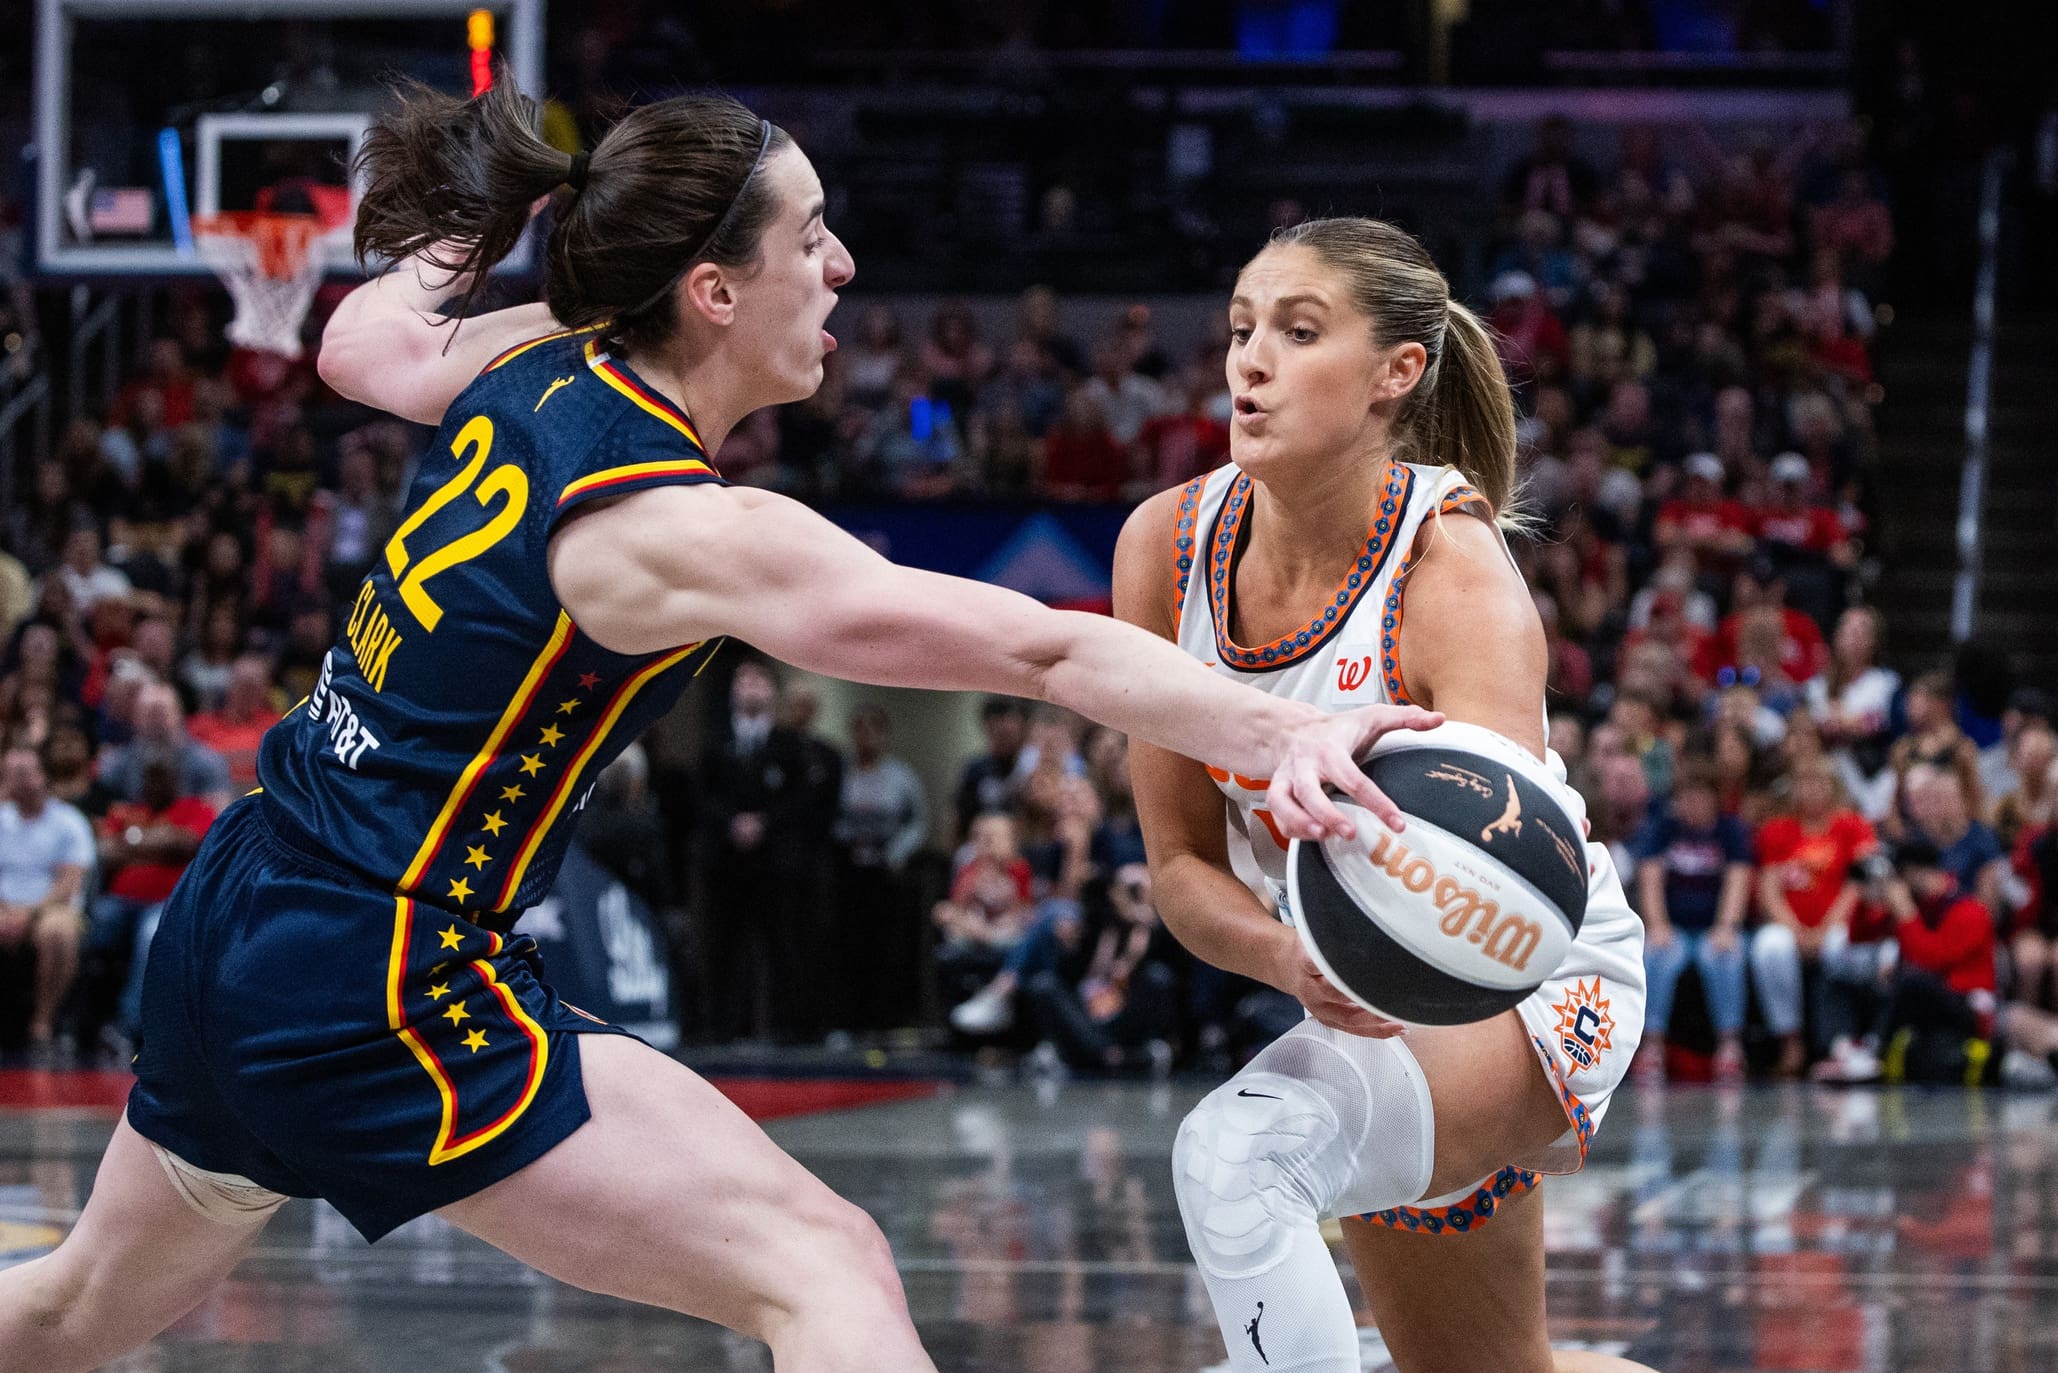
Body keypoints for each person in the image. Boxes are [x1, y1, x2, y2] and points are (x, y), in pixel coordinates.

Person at [0, 80, 1425, 1373]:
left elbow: (356, 339)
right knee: (824, 1268)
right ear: (713, 291)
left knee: (69, 1315)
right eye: (811, 238)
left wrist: (482, 231)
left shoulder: (522, 364)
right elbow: (1045, 647)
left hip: (238, 907)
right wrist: (1273, 728)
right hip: (379, 973)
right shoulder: (682, 528)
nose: (842, 266)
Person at [1116, 217, 1652, 1373]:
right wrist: (1285, 963)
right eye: (1241, 328)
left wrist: (1334, 964)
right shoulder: (1162, 546)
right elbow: (1179, 864)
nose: (1249, 361)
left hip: (1520, 975)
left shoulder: (1453, 575)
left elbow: (1484, 896)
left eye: (1299, 332)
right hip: (1354, 987)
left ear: (1396, 374)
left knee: (1241, 1156)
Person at [1748, 757, 1876, 1075]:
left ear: (1833, 788)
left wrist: (1826, 927)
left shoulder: (1852, 825)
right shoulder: (1778, 830)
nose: (1812, 791)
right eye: (1805, 784)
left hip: (1840, 923)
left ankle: (1838, 1041)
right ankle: (1789, 1040)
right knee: (1770, 947)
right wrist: (1796, 930)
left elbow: (1858, 884)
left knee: (1838, 948)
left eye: (1820, 783)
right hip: (1791, 925)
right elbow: (1770, 890)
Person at [1632, 758, 1755, 1082]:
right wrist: (1657, 925)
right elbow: (1650, 878)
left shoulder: (1730, 831)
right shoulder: (1663, 828)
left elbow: (1738, 879)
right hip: (1674, 930)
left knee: (1723, 956)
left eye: (1700, 796)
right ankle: (1652, 1047)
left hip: (1714, 928)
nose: (1693, 804)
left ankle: (1730, 1047)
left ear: (1714, 799)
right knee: (1656, 955)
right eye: (1686, 796)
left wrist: (1727, 927)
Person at [0, 746, 94, 1059]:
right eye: (12, 775)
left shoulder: (69, 822)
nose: (20, 782)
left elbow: (69, 883)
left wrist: (26, 914)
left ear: (42, 776)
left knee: (59, 933)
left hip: (51, 908)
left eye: (26, 773)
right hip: (4, 907)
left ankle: (42, 1022)